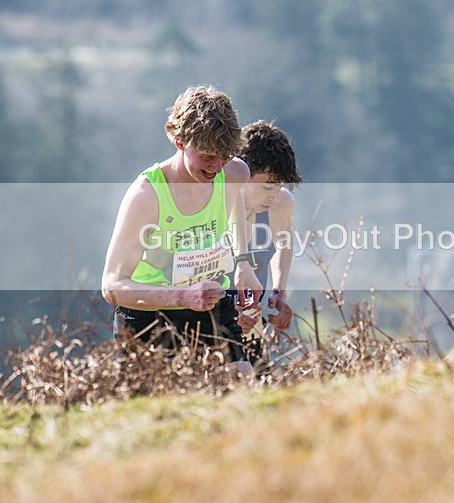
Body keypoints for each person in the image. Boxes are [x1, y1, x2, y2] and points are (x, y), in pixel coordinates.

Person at [101, 85, 263, 363]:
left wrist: (244, 264)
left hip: (212, 303)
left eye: (224, 156)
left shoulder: (235, 172)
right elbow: (112, 286)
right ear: (179, 141)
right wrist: (182, 296)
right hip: (148, 319)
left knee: (241, 389)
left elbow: (235, 200)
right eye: (207, 156)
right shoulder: (146, 196)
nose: (216, 166)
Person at [232, 121, 303, 337]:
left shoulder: (281, 205)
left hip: (251, 322)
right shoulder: (215, 206)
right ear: (243, 174)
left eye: (280, 186)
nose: (274, 195)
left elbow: (284, 242)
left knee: (256, 371)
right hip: (202, 324)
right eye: (268, 186)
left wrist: (279, 291)